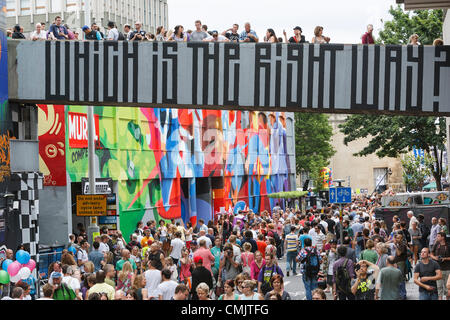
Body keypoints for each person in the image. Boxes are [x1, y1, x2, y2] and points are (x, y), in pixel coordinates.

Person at [430, 232, 450, 300]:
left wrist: (445, 259)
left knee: (448, 287)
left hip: (447, 269)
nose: (437, 237)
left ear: (443, 237)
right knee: (439, 287)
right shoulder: (436, 244)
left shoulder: (448, 245)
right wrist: (435, 258)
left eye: (438, 236)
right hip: (438, 269)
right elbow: (431, 254)